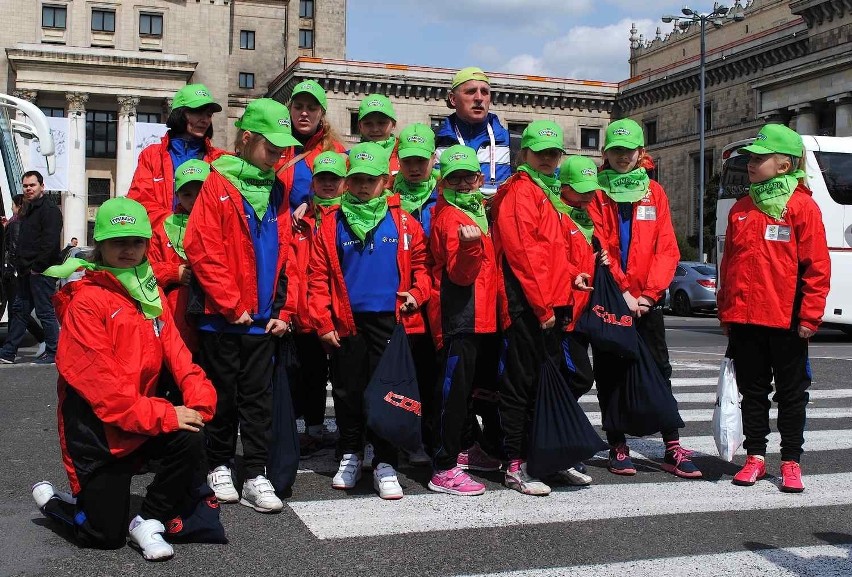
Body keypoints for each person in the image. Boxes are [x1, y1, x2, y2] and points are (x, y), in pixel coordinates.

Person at [31, 197, 217, 562]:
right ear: (99, 246)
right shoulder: (86, 301)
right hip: (96, 431)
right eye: (118, 242)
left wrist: (200, 401)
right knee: (102, 536)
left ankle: (148, 518)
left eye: (136, 241)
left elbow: (179, 356)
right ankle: (59, 504)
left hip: (138, 416)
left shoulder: (149, 290)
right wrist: (166, 415)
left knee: (192, 435)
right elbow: (105, 391)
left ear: (147, 245)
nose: (128, 250)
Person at [185, 98, 300, 514]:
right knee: (221, 395)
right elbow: (201, 247)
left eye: (282, 150)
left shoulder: (278, 188)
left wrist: (285, 310)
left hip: (263, 317)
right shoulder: (216, 182)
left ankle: (254, 472)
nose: (278, 157)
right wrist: (232, 305)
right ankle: (217, 463)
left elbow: (287, 251)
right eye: (271, 148)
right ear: (247, 139)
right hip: (223, 317)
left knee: (258, 400)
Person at [307, 141, 431, 500]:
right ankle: (351, 452)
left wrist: (417, 294)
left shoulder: (404, 222)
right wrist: (323, 321)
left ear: (385, 182)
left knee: (388, 394)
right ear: (347, 181)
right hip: (347, 322)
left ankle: (385, 461)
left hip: (390, 322)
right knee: (347, 391)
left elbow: (424, 269)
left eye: (371, 180)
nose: (363, 187)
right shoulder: (331, 224)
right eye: (356, 179)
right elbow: (317, 277)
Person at [718, 124, 830, 493]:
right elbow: (729, 264)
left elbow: (816, 266)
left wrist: (809, 316)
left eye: (760, 158)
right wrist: (725, 310)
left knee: (791, 393)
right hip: (745, 318)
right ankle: (754, 457)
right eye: (751, 157)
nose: (752, 163)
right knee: (752, 391)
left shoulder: (802, 206)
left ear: (784, 165)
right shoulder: (741, 208)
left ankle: (791, 461)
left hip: (787, 320)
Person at [589, 118, 701, 479]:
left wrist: (649, 296)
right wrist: (623, 292)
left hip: (646, 302)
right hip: (612, 297)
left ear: (641, 153)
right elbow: (600, 245)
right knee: (611, 371)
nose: (623, 157)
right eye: (616, 150)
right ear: (606, 153)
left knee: (660, 369)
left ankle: (671, 445)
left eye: (629, 150)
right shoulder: (596, 192)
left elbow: (666, 248)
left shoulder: (655, 192)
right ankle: (617, 445)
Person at [490, 121, 574, 496]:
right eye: (541, 153)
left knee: (544, 383)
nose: (548, 160)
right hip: (528, 304)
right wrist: (542, 307)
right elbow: (523, 254)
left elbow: (554, 253)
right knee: (521, 384)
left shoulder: (546, 192)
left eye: (554, 154)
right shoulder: (521, 193)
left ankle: (544, 458)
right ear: (524, 154)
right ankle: (516, 463)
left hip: (550, 303)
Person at [426, 145, 500, 496]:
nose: (461, 183)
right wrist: (471, 248)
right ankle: (443, 466)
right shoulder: (451, 217)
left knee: (463, 392)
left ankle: (465, 449)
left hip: (476, 316)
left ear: (478, 178)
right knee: (452, 395)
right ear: (443, 181)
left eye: (466, 176)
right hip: (458, 316)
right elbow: (459, 274)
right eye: (453, 177)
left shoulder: (476, 212)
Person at [288, 150, 347, 455]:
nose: (327, 184)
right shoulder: (299, 220)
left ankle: (349, 432)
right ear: (312, 183)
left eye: (333, 178)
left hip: (340, 312)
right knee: (310, 375)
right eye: (322, 178)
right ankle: (312, 429)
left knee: (342, 378)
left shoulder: (351, 216)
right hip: (305, 313)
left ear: (344, 182)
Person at [392, 122, 441, 465]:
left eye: (420, 161)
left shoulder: (446, 193)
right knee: (398, 373)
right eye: (408, 160)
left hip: (435, 298)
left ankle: (424, 438)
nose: (413, 167)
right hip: (398, 297)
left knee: (429, 373)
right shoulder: (386, 195)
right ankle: (396, 437)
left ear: (432, 160)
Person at [128, 84, 226, 229]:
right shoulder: (151, 156)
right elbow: (140, 203)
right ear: (180, 114)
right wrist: (177, 227)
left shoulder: (221, 160)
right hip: (161, 247)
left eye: (209, 115)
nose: (205, 120)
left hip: (206, 246)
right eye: (198, 112)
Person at [147, 159, 209, 353]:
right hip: (176, 313)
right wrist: (173, 272)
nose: (193, 199)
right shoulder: (163, 227)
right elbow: (146, 270)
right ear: (177, 195)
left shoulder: (223, 224)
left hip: (214, 315)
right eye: (186, 194)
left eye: (200, 192)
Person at [0, 171, 61, 365]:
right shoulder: (27, 210)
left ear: (42, 186)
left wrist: (37, 267)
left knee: (44, 312)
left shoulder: (50, 210)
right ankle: (8, 352)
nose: (28, 189)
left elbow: (50, 243)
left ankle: (54, 351)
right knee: (19, 311)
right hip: (26, 271)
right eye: (25, 186)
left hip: (41, 271)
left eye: (32, 185)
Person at [276, 79, 346, 226]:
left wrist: (311, 203)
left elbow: (348, 195)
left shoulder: (335, 151)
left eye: (312, 108)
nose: (304, 113)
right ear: (290, 110)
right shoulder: (275, 146)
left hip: (311, 236)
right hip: (275, 234)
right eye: (298, 107)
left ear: (322, 113)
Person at [435, 67, 512, 197]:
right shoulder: (434, 141)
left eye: (484, 92)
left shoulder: (512, 142)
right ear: (453, 99)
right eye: (471, 92)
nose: (479, 98)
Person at [1, 193, 46, 354]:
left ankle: (40, 339)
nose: (11, 207)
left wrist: (9, 270)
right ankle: (10, 346)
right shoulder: (17, 222)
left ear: (18, 206)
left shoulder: (15, 224)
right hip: (18, 272)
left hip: (13, 273)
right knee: (19, 309)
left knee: (19, 310)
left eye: (13, 205)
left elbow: (13, 249)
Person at [357, 94, 400, 177]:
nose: (375, 129)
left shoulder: (404, 155)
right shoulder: (348, 158)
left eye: (382, 123)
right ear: (360, 126)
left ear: (393, 124)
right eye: (368, 123)